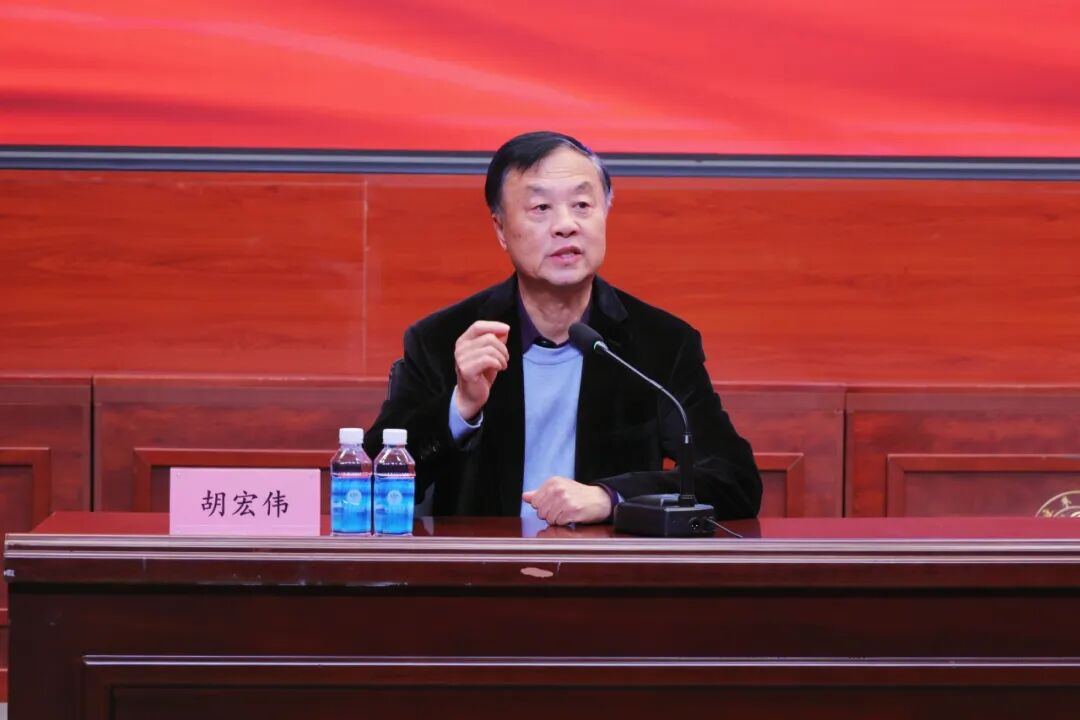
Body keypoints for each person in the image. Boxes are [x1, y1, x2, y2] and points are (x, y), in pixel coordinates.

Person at [366, 131, 761, 525]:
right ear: (500, 229)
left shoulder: (661, 343)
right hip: (486, 562)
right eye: (541, 208)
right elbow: (369, 486)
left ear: (605, 215)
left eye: (582, 205)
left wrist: (611, 497)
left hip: (604, 562)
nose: (566, 225)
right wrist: (461, 407)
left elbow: (734, 479)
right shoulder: (445, 340)